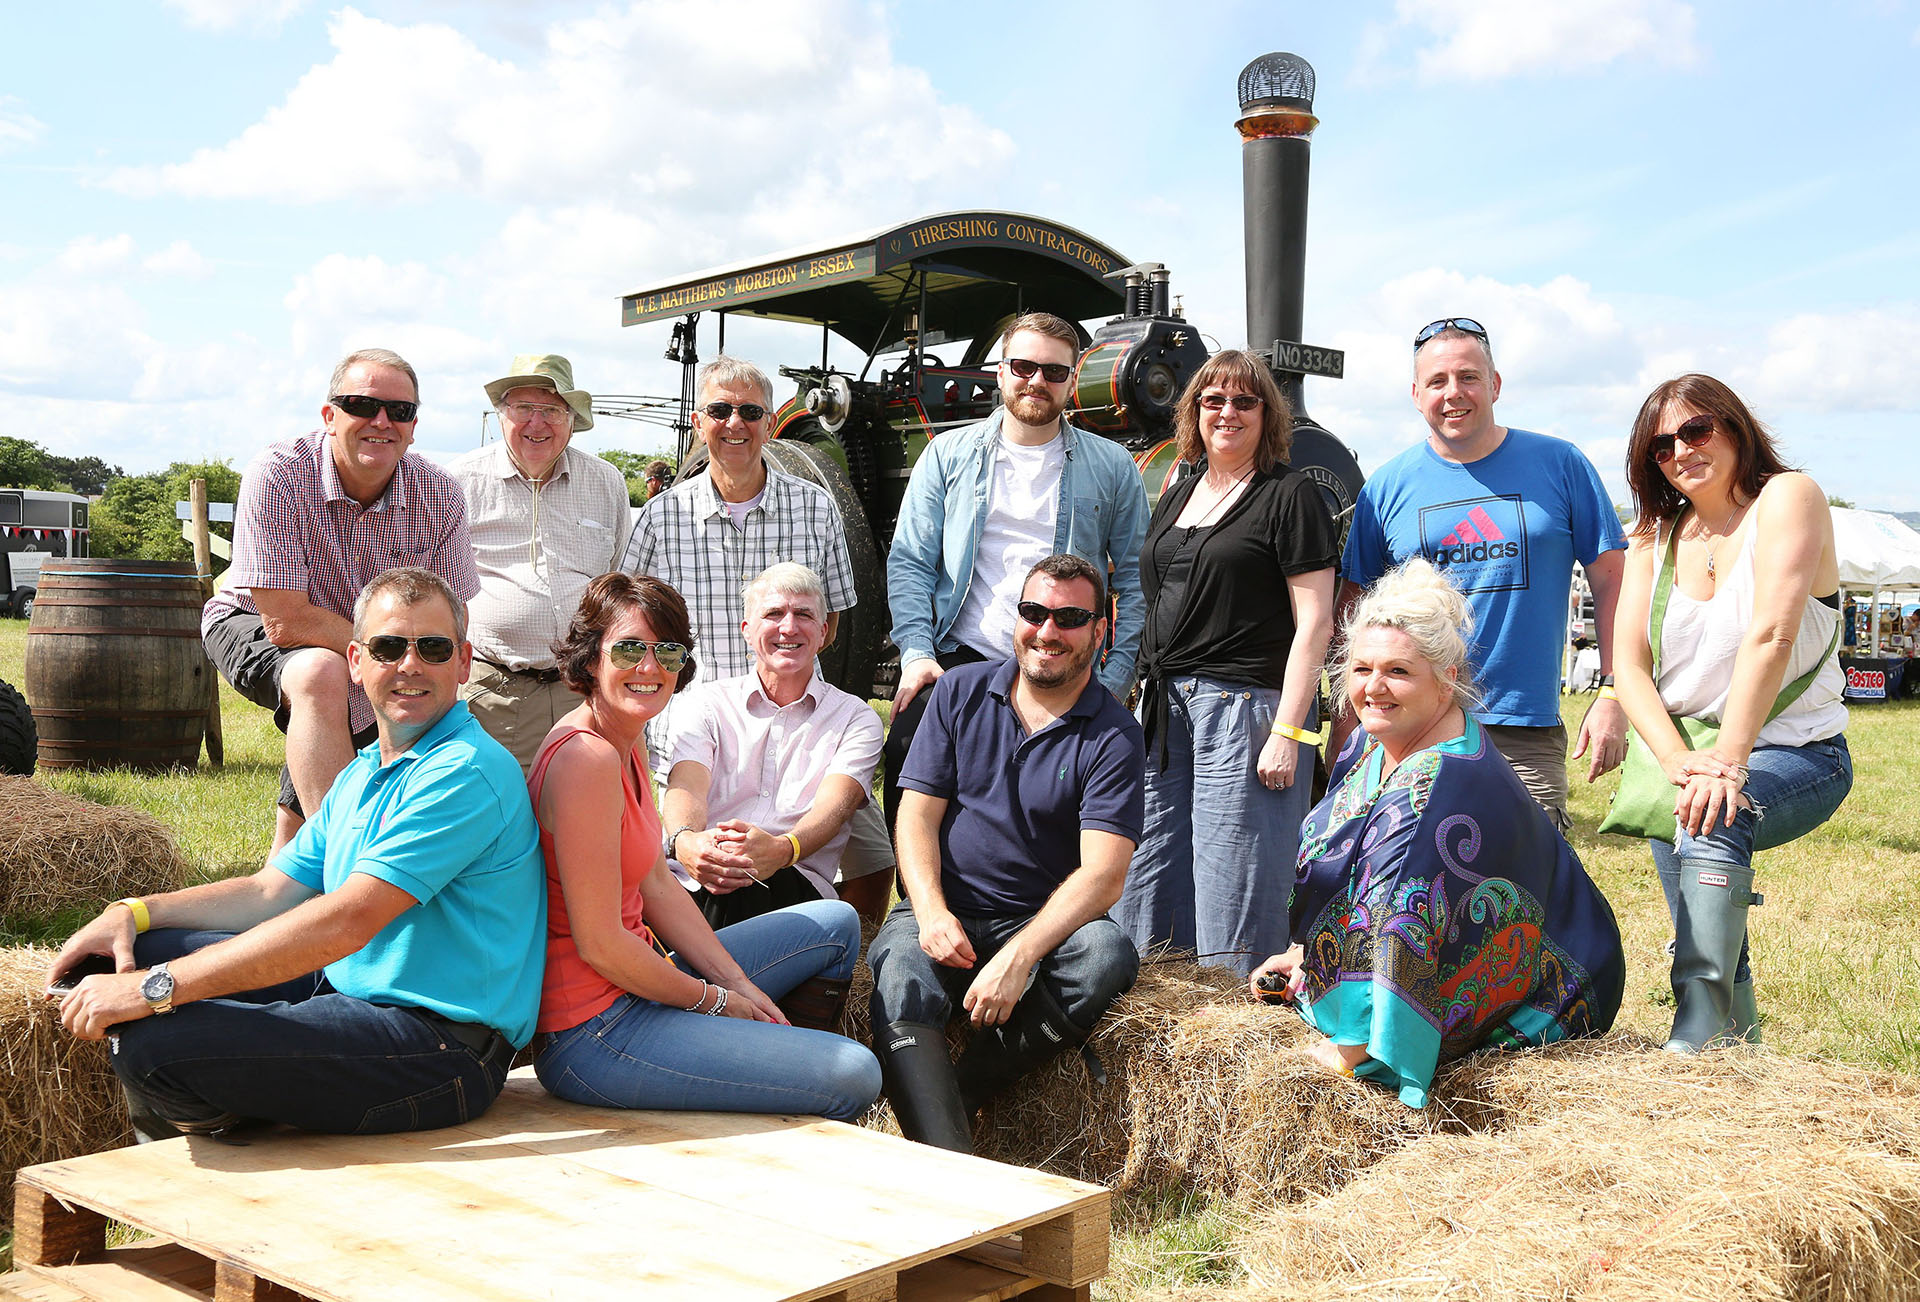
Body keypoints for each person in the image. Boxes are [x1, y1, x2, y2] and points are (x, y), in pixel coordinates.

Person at [49, 568, 544, 1137]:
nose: (410, 665)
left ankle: (235, 1154)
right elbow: (271, 891)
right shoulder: (365, 771)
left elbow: (347, 920)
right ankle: (252, 1099)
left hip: (440, 1048)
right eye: (388, 647)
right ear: (356, 662)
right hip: (349, 991)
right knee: (128, 953)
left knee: (157, 1040)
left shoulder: (466, 772)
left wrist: (152, 989)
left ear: (463, 661)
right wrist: (133, 913)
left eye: (433, 648)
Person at [1252, 560, 1624, 1108]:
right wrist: (1303, 954)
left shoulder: (1437, 787)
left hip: (1553, 990)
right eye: (1360, 669)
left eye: (1398, 672)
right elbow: (1343, 868)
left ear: (1447, 676)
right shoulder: (1368, 742)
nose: (1373, 688)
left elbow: (1403, 917)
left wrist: (1349, 1052)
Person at [528, 571, 880, 1118]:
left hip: (636, 987)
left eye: (665, 652)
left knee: (836, 922)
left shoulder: (624, 736)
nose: (649, 668)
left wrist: (739, 987)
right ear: (590, 657)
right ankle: (786, 1080)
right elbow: (600, 945)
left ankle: (776, 1048)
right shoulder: (587, 758)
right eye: (628, 649)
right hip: (596, 1031)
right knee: (854, 1071)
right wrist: (715, 1002)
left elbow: (656, 884)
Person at [868, 554, 1145, 1153]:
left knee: (1105, 954)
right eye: (1034, 612)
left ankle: (961, 1097)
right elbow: (915, 815)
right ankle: (949, 1157)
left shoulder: (1116, 732)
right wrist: (933, 912)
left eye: (1070, 617)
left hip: (1037, 923)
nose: (1048, 631)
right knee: (899, 966)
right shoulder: (959, 691)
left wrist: (1020, 956)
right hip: (945, 909)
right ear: (1015, 618)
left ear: (1101, 632)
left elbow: (1103, 876)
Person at [1612, 375, 1850, 1052]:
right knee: (1702, 918)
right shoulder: (1652, 537)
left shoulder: (1788, 498)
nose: (1680, 450)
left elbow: (1772, 635)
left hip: (1798, 752)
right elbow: (1626, 666)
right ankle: (1736, 1058)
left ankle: (1691, 1037)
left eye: (1696, 430)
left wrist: (1726, 765)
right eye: (1661, 445)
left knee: (1718, 822)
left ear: (1734, 426)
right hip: (1685, 758)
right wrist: (1678, 762)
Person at [618, 357, 894, 925]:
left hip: (801, 720)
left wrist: (795, 670)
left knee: (870, 855)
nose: (734, 424)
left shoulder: (814, 506)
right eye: (720, 410)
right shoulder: (663, 515)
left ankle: (847, 976)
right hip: (695, 729)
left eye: (749, 411)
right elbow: (633, 622)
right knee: (694, 869)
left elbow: (836, 609)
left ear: (769, 421)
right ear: (699, 422)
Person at [1336, 318, 1628, 832]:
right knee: (1407, 896)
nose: (1454, 393)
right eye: (1437, 381)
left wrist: (1613, 692)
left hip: (1521, 730)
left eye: (1468, 377)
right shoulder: (1385, 488)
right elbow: (1355, 615)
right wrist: (1347, 732)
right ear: (1415, 394)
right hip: (1411, 726)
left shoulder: (1560, 464)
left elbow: (1612, 580)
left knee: (1527, 897)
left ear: (1495, 384)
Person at [201, 348, 479, 849]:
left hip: (374, 642)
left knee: (364, 695)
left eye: (399, 411)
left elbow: (446, 623)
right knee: (320, 674)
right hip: (252, 619)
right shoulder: (279, 473)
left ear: (414, 426)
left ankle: (284, 885)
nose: (381, 421)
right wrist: (386, 651)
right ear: (330, 416)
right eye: (361, 405)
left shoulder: (440, 493)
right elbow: (285, 621)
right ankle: (346, 857)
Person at [884, 311, 1151, 831]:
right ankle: (919, 908)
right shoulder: (947, 455)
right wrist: (917, 654)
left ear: (1072, 381)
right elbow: (912, 561)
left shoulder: (1113, 466)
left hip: (1063, 663)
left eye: (1054, 372)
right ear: (1001, 371)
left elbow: (1139, 584)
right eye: (1024, 366)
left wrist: (1114, 678)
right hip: (959, 659)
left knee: (1057, 817)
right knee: (909, 765)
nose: (1037, 381)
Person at [1115, 351, 1337, 976]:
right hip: (1164, 707)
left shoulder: (1289, 495)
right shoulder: (1181, 491)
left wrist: (1290, 731)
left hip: (1243, 709)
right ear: (1193, 412)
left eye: (1245, 402)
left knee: (1234, 878)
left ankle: (1233, 1020)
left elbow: (1315, 620)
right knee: (1146, 867)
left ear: (1269, 416)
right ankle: (1145, 1002)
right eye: (1213, 400)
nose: (1228, 412)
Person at [662, 564, 884, 951]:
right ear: (747, 631)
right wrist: (687, 842)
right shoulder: (706, 704)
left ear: (823, 633)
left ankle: (701, 995)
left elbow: (836, 806)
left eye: (804, 615)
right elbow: (687, 784)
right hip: (700, 876)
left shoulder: (855, 718)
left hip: (793, 886)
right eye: (773, 614)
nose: (788, 627)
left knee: (742, 880)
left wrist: (783, 850)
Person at [450, 354, 632, 772]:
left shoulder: (606, 482)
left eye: (551, 410)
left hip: (583, 692)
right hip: (488, 692)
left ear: (571, 419)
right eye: (524, 409)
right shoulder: (459, 482)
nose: (538, 422)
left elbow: (620, 582)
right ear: (501, 416)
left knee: (579, 822)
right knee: (489, 822)